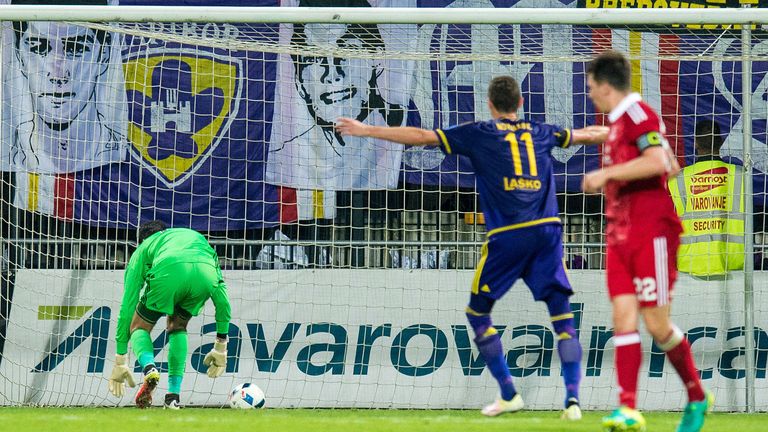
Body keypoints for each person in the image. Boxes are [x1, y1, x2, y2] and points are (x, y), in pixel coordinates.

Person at [336, 75, 607, 419]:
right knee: (563, 318)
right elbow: (588, 134)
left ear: (490, 105)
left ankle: (508, 393)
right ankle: (572, 401)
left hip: (509, 234)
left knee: (478, 313)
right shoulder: (542, 131)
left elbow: (421, 136)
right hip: (548, 233)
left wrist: (366, 130)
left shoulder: (480, 132)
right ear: (521, 103)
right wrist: (627, 130)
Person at [581, 50, 713, 432]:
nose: (589, 94)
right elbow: (671, 164)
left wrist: (607, 175)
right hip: (619, 233)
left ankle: (697, 395)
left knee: (657, 325)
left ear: (605, 86)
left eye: (590, 87)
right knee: (622, 317)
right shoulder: (618, 123)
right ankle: (627, 408)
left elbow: (659, 163)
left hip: (650, 232)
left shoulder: (639, 114)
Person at [266, 0, 410, 190]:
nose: (333, 75)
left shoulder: (402, 134)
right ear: (299, 82)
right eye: (315, 58)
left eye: (346, 53)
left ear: (377, 60)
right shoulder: (288, 155)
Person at [107, 220, 231, 409]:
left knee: (138, 326)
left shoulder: (143, 249)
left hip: (169, 271)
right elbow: (222, 299)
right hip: (204, 276)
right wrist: (221, 345)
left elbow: (127, 306)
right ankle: (173, 397)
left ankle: (150, 367)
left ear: (142, 241)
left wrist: (120, 358)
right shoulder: (195, 237)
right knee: (177, 326)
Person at [8, 11, 124, 175]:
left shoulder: (118, 150)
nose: (58, 76)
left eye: (76, 48)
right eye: (38, 48)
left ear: (103, 56)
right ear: (19, 56)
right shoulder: (10, 150)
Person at [668, 120, 745, 277]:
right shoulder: (740, 175)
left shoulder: (677, 178)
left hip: (689, 261)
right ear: (720, 142)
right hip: (732, 261)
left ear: (695, 143)